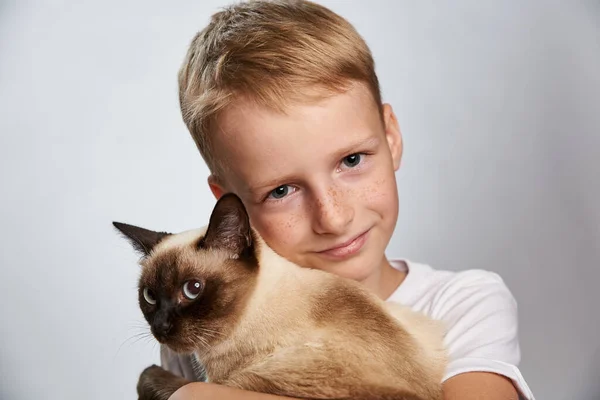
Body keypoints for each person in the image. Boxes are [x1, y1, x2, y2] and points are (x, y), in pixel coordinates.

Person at [161, 1, 535, 399]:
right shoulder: (200, 328)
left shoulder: (462, 305)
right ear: (230, 206)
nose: (333, 217)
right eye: (282, 191)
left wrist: (194, 396)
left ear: (390, 138)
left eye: (351, 160)